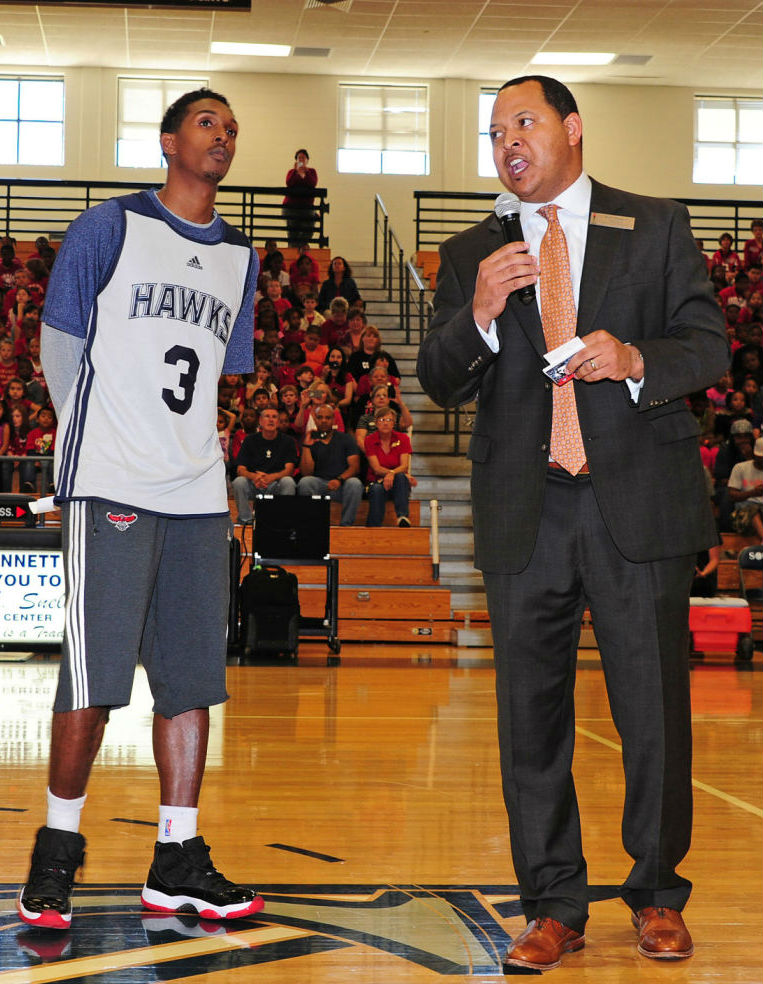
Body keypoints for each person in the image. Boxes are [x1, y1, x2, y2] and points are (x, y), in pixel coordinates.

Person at [416, 76, 728, 970]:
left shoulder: (655, 223)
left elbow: (707, 346)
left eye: (523, 123)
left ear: (572, 129)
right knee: (531, 721)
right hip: (527, 510)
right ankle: (553, 904)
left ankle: (658, 895)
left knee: (654, 713)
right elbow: (440, 377)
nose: (507, 142)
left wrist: (634, 358)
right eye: (493, 132)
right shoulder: (471, 248)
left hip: (637, 504)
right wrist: (476, 314)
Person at [18, 88, 264, 931]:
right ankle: (55, 854)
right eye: (207, 124)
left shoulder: (240, 254)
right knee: (94, 679)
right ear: (168, 141)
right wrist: (89, 441)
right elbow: (59, 341)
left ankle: (176, 859)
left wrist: (191, 454)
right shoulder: (108, 227)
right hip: (111, 481)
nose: (223, 138)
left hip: (194, 488)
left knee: (191, 678)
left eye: (231, 129)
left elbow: (219, 373)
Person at [298, 403, 362, 525]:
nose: (323, 421)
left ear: (333, 419)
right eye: (320, 417)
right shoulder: (309, 439)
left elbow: (355, 467)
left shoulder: (346, 439)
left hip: (341, 484)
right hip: (320, 483)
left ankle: (346, 525)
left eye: (327, 418)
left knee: (355, 483)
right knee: (305, 482)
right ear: (315, 419)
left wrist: (339, 480)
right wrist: (306, 446)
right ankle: (312, 524)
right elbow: (306, 473)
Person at [231, 406, 298, 523]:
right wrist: (255, 477)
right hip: (254, 483)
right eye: (267, 416)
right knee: (239, 482)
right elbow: (240, 470)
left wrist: (270, 477)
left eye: (274, 417)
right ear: (260, 422)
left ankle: (282, 520)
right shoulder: (249, 440)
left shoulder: (288, 441)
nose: (271, 420)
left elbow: (289, 470)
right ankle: (246, 519)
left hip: (275, 483)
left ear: (278, 422)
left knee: (288, 482)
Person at [364, 406, 413, 527]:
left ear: (394, 423)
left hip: (397, 483)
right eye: (381, 420)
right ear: (376, 423)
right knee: (377, 489)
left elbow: (404, 466)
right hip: (376, 482)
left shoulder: (403, 438)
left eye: (389, 420)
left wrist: (391, 474)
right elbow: (376, 468)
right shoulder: (369, 440)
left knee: (401, 477)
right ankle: (374, 527)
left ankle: (402, 517)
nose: (385, 423)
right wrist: (390, 473)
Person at [727, 436, 763, 539]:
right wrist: (752, 492)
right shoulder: (740, 468)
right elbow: (732, 495)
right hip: (743, 513)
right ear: (755, 455)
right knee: (753, 510)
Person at [282, 148, 318, 247]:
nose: (301, 160)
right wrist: (296, 172)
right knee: (293, 232)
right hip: (292, 207)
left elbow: (312, 183)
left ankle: (302, 247)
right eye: (299, 158)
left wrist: (305, 173)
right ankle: (293, 248)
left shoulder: (312, 172)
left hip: (306, 208)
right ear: (296, 160)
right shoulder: (291, 172)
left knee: (309, 228)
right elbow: (290, 183)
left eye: (303, 158)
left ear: (307, 160)